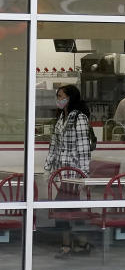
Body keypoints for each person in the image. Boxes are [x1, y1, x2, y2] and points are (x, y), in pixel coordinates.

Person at [43, 85, 93, 258]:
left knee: (62, 211)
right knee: (71, 211)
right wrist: (48, 168)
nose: (59, 99)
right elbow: (54, 146)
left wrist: (84, 175)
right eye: (57, 96)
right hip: (62, 173)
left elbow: (84, 147)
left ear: (70, 98)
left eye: (62, 96)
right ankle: (82, 243)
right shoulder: (61, 118)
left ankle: (68, 245)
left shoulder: (79, 118)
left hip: (74, 175)